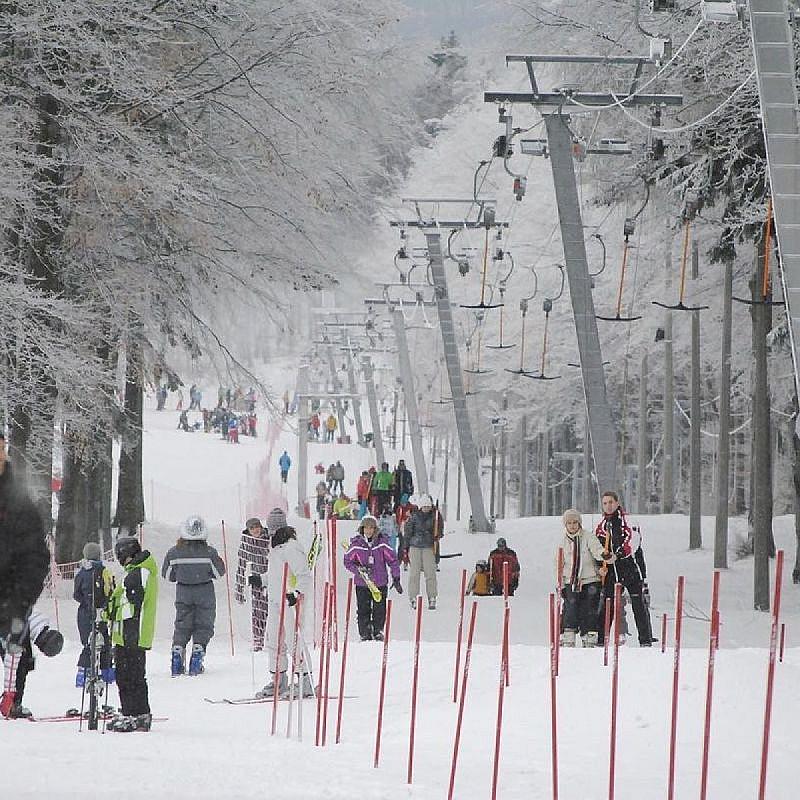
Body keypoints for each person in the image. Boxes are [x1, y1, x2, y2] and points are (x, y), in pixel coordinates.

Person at [0, 432, 50, 696]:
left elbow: (35, 557)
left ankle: (13, 698)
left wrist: (20, 600)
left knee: (17, 652)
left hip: (11, 599)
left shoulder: (19, 503)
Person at [106, 536, 158, 732]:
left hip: (133, 632)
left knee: (130, 675)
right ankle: (135, 712)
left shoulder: (139, 572)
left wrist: (110, 612)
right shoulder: (136, 571)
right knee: (128, 674)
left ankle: (134, 714)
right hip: (128, 633)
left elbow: (132, 606)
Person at [162, 516, 226, 676]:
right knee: (204, 624)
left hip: (183, 591)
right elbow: (219, 573)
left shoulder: (174, 552)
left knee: (182, 624)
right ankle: (197, 653)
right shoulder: (209, 552)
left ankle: (177, 651)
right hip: (205, 591)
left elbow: (168, 575)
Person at [256, 525, 313, 699]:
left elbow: (304, 575)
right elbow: (277, 574)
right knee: (274, 641)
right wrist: (261, 579)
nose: (270, 532)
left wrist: (296, 593)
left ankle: (305, 680)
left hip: (290, 602)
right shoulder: (275, 549)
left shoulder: (291, 547)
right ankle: (278, 679)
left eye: (273, 529)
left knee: (293, 640)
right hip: (274, 601)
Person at [595, 491, 653, 647]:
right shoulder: (601, 526)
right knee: (607, 604)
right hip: (611, 572)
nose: (608, 506)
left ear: (617, 503)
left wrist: (619, 554)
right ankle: (601, 640)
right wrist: (600, 565)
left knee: (638, 603)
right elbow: (596, 548)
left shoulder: (628, 520)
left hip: (630, 568)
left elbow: (633, 541)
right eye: (605, 503)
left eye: (611, 502)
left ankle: (645, 640)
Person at [344, 515, 402, 641]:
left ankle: (377, 630)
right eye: (366, 528)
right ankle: (364, 632)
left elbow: (393, 560)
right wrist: (359, 571)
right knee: (363, 609)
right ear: (362, 529)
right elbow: (348, 561)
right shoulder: (356, 544)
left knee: (379, 609)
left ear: (375, 529)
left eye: (371, 528)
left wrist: (396, 577)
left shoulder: (382, 544)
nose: (369, 531)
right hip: (363, 583)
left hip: (379, 582)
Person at [0, 610, 63, 718]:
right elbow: (11, 663)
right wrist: (8, 694)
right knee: (20, 665)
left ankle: (15, 704)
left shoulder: (38, 621)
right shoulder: (19, 631)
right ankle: (13, 705)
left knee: (25, 662)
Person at [558, 509, 604, 647]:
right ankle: (568, 635)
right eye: (569, 523)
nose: (572, 526)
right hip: (570, 581)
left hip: (590, 579)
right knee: (570, 608)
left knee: (589, 609)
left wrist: (604, 555)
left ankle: (589, 635)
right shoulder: (563, 542)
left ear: (579, 523)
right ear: (565, 525)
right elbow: (558, 563)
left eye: (575, 522)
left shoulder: (588, 537)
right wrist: (560, 583)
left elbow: (597, 550)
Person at [73, 542, 115, 688]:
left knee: (87, 643)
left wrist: (85, 601)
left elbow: (76, 594)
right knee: (104, 642)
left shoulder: (81, 573)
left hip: (84, 613)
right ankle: (107, 671)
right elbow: (109, 591)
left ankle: (83, 672)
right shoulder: (103, 571)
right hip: (100, 612)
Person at [235, 517, 270, 651]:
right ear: (248, 530)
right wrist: (239, 588)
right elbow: (241, 566)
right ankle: (258, 639)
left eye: (257, 527)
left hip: (270, 579)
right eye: (252, 528)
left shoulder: (269, 539)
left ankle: (273, 637)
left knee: (272, 610)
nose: (255, 530)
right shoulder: (246, 544)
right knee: (258, 611)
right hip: (255, 582)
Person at [404, 495, 443, 610]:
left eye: (428, 506)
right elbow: (408, 531)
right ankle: (412, 597)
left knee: (430, 573)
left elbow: (440, 530)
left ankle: (432, 597)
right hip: (415, 546)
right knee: (414, 573)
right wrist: (406, 547)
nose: (426, 509)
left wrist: (436, 535)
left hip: (429, 547)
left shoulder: (435, 516)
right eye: (424, 507)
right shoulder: (414, 516)